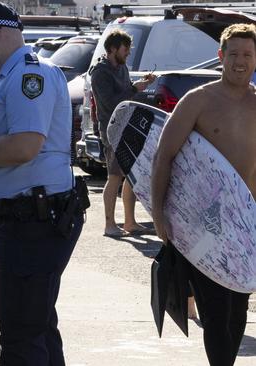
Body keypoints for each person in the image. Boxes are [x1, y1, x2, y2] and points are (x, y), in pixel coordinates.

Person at [0, 2, 88, 364]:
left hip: (33, 224)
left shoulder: (28, 76)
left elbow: (25, 145)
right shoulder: (8, 77)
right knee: (36, 328)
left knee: (21, 339)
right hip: (25, 223)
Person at [152, 23, 256, 366]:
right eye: (234, 54)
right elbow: (163, 156)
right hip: (204, 223)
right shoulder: (197, 101)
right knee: (215, 309)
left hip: (247, 225)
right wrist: (159, 213)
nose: (240, 61)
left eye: (247, 54)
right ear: (220, 57)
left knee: (238, 308)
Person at [89, 29, 156, 237]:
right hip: (111, 129)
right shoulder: (100, 72)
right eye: (125, 49)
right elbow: (111, 103)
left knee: (131, 175)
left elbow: (126, 93)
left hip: (128, 126)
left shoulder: (122, 67)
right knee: (115, 176)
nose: (128, 53)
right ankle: (110, 225)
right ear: (112, 49)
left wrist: (141, 85)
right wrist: (136, 88)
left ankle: (130, 222)